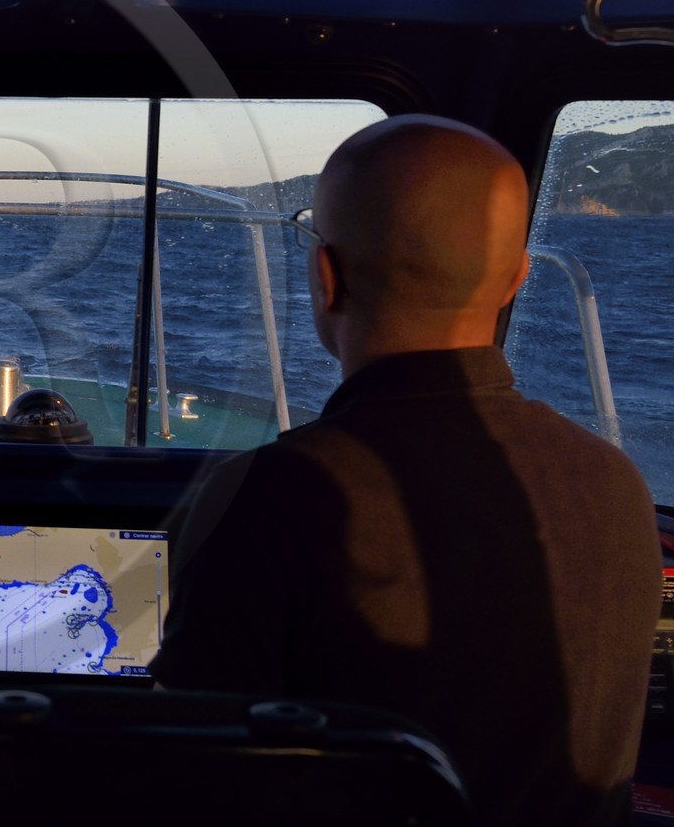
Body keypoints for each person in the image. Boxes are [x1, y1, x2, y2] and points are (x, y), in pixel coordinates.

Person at [149, 114, 661, 825]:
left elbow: (186, 774)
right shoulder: (616, 486)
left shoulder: (274, 498)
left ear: (325, 277)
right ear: (514, 279)